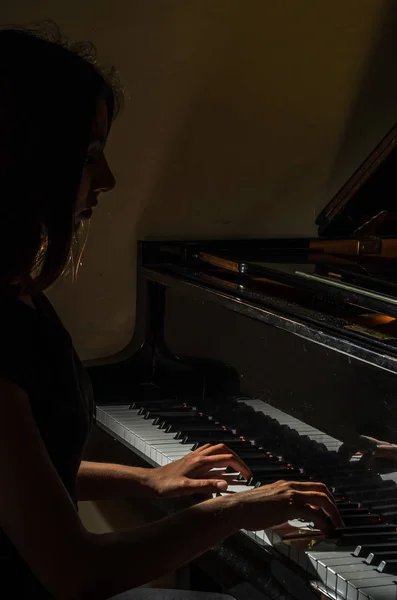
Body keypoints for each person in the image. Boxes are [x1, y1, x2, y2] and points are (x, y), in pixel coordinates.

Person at [0, 23, 342, 600]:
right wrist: (237, 511)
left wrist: (149, 478)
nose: (107, 179)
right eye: (88, 156)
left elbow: (28, 474)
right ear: (24, 160)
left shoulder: (17, 290)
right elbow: (76, 571)